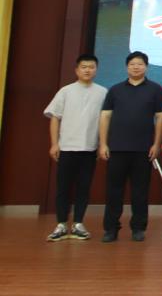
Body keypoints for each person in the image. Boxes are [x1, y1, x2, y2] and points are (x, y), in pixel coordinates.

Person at [98, 50, 162, 242]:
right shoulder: (115, 90)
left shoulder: (155, 89)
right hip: (117, 148)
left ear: (146, 67)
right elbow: (105, 116)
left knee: (140, 192)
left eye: (140, 64)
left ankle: (138, 228)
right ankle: (111, 229)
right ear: (127, 67)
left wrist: (156, 143)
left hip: (143, 149)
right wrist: (103, 143)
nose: (136, 67)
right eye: (132, 64)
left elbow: (160, 117)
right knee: (114, 191)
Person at [44, 53, 107, 241]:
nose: (87, 70)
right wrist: (54, 144)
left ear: (96, 70)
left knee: (84, 187)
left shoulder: (103, 92)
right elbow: (55, 117)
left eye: (91, 67)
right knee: (63, 187)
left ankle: (78, 223)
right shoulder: (65, 91)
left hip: (89, 148)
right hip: (66, 147)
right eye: (84, 67)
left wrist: (101, 144)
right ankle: (61, 224)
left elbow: (105, 120)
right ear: (77, 70)